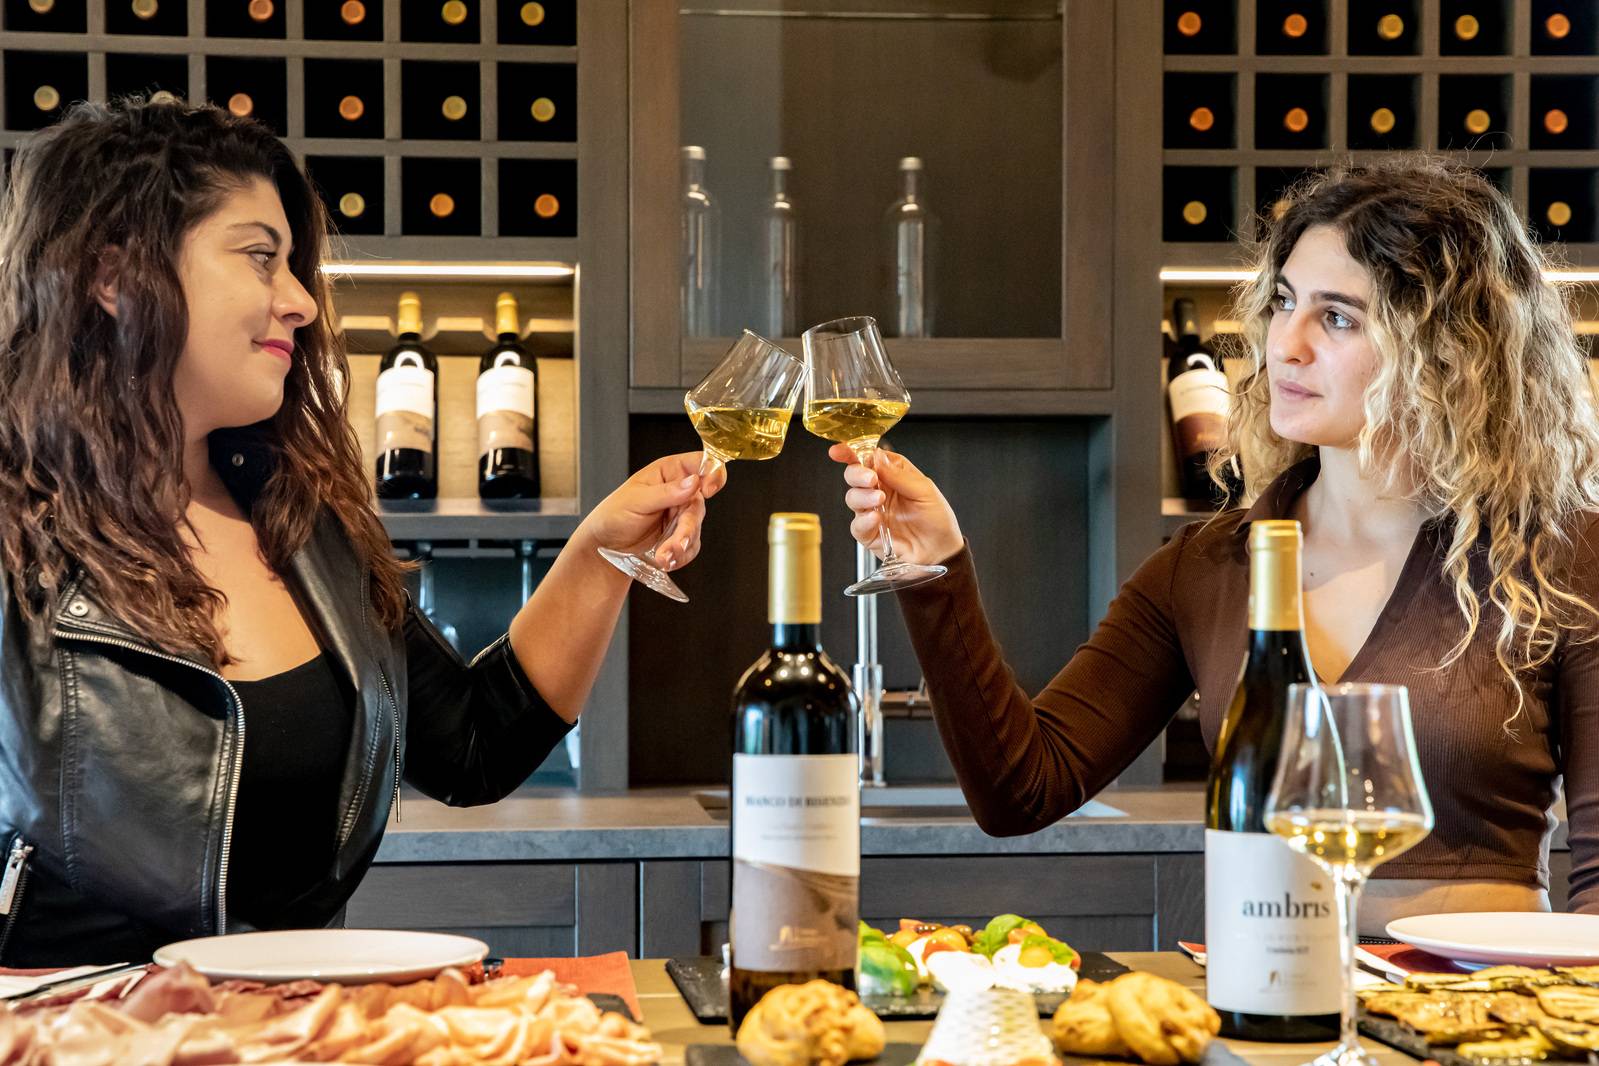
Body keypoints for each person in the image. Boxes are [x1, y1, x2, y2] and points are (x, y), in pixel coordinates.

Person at [0, 99, 724, 965]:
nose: (302, 302)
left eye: (295, 268)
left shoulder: (301, 523)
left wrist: (603, 549)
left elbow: (471, 748)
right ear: (114, 277)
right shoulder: (14, 535)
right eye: (260, 258)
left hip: (296, 1026)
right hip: (64, 1027)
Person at [831, 157, 1599, 930]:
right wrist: (934, 570)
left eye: (1336, 318)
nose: (1284, 344)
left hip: (1478, 993)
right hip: (1260, 985)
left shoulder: (1561, 556)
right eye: (1284, 303)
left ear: (1450, 350)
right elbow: (1021, 790)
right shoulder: (1206, 566)